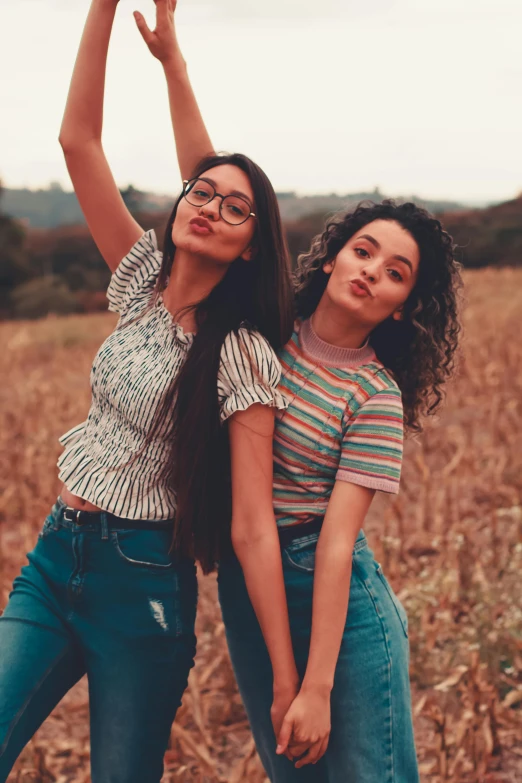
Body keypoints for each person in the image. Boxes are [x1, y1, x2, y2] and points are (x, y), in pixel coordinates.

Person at [138, 1, 462, 780]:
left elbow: (342, 543)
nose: (371, 272)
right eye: (363, 249)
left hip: (338, 608)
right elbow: (215, 186)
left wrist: (313, 685)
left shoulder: (375, 397)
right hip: (251, 597)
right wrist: (175, 66)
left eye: (395, 273)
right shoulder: (267, 322)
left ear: (402, 306)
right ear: (331, 255)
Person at [0, 0, 298, 781]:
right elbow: (78, 140)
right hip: (56, 555)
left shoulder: (239, 354)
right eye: (201, 193)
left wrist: (288, 678)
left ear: (247, 249)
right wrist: (108, 10)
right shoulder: (140, 280)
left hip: (144, 587)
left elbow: (251, 524)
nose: (210, 208)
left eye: (236, 210)